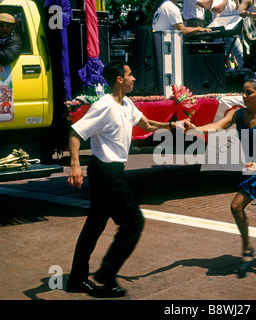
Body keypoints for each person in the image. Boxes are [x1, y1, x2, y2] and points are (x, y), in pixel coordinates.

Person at [66, 61, 190, 297]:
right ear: (119, 80)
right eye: (130, 74)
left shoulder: (126, 103)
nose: (134, 78)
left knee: (94, 226)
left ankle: (76, 280)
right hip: (105, 172)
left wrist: (174, 125)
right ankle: (106, 275)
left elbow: (149, 124)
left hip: (112, 170)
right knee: (133, 222)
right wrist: (75, 165)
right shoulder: (105, 106)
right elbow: (76, 133)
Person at [188, 76, 256, 273]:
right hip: (251, 169)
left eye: (249, 92)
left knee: (237, 206)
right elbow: (217, 126)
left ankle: (248, 246)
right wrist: (197, 129)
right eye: (244, 92)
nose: (245, 96)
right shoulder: (238, 115)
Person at [210, 0, 256, 69]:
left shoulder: (232, 2)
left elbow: (238, 11)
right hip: (219, 31)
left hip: (231, 30)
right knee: (218, 56)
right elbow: (218, 9)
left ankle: (242, 74)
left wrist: (238, 3)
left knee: (240, 54)